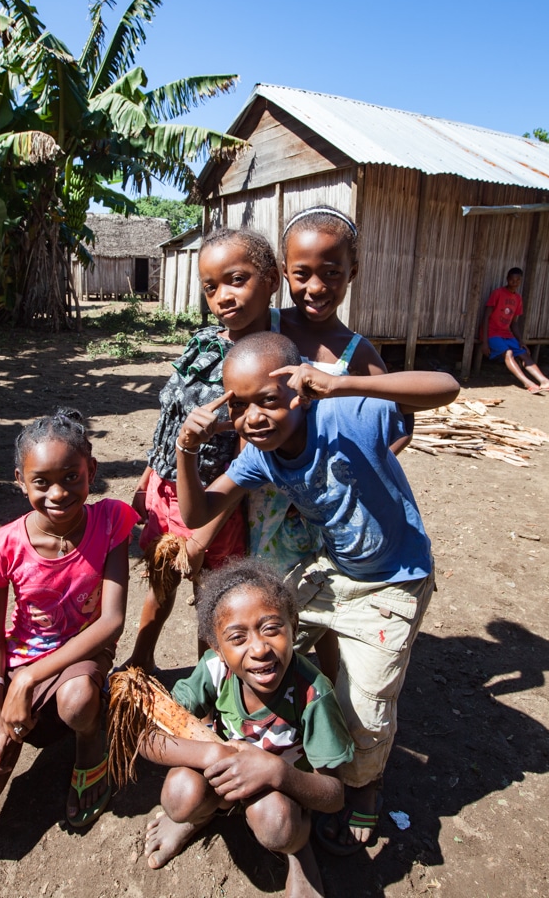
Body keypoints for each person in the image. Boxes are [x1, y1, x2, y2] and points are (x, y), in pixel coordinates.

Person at [174, 333, 460, 855]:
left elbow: (447, 386)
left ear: (300, 392)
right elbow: (197, 515)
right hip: (334, 570)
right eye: (239, 405)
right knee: (267, 639)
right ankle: (279, 742)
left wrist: (343, 382)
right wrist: (186, 449)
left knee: (366, 705)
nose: (254, 417)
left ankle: (364, 781)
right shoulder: (259, 458)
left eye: (268, 399)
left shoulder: (347, 416)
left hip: (394, 579)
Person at [0, 409, 138, 834]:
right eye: (41, 481)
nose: (59, 493)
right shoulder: (3, 546)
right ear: (19, 480)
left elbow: (111, 622)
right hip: (21, 664)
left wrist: (28, 680)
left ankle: (92, 749)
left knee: (78, 699)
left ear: (92, 471)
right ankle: (31, 723)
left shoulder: (111, 521)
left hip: (83, 655)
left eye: (72, 476)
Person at [250, 205, 411, 680]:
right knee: (263, 592)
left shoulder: (355, 352)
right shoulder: (267, 327)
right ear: (283, 273)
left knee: (320, 600)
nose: (316, 287)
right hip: (263, 496)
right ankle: (256, 697)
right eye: (301, 274)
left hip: (321, 509)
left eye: (332, 273)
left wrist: (348, 480)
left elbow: (400, 424)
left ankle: (324, 692)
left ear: (352, 274)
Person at [141, 560, 354, 898]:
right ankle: (199, 816)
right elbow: (147, 737)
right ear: (217, 648)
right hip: (219, 774)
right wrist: (214, 752)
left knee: (277, 824)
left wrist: (277, 773)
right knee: (180, 795)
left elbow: (333, 795)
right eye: (237, 638)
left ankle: (299, 850)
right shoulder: (214, 671)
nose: (258, 649)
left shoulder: (313, 692)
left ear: (293, 626)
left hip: (279, 794)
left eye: (271, 628)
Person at [129, 227, 280, 673]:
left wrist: (201, 536)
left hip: (217, 506)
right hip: (166, 484)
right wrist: (147, 477)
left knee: (212, 599)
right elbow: (171, 418)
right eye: (211, 287)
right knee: (160, 583)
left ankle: (210, 689)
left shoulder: (267, 363)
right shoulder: (205, 342)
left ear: (271, 280)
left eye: (237, 280)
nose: (223, 297)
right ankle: (140, 660)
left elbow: (247, 460)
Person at [481, 267, 549, 393]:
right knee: (508, 353)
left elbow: (514, 323)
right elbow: (486, 316)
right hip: (492, 333)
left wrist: (521, 341)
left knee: (524, 353)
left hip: (506, 334)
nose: (515, 282)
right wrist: (485, 342)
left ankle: (544, 381)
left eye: (517, 280)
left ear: (520, 281)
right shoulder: (498, 293)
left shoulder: (518, 298)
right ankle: (528, 383)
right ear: (507, 279)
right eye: (512, 279)